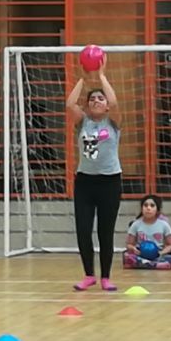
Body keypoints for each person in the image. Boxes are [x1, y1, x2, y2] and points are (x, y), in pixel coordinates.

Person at [65, 58, 121, 292]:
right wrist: (83, 77)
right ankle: (89, 275)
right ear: (87, 106)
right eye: (92, 99)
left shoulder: (113, 122)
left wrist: (101, 75)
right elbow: (70, 104)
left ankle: (106, 277)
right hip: (85, 183)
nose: (96, 101)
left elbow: (114, 101)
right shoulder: (83, 123)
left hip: (109, 183)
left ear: (106, 106)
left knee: (105, 232)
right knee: (83, 230)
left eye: (100, 99)